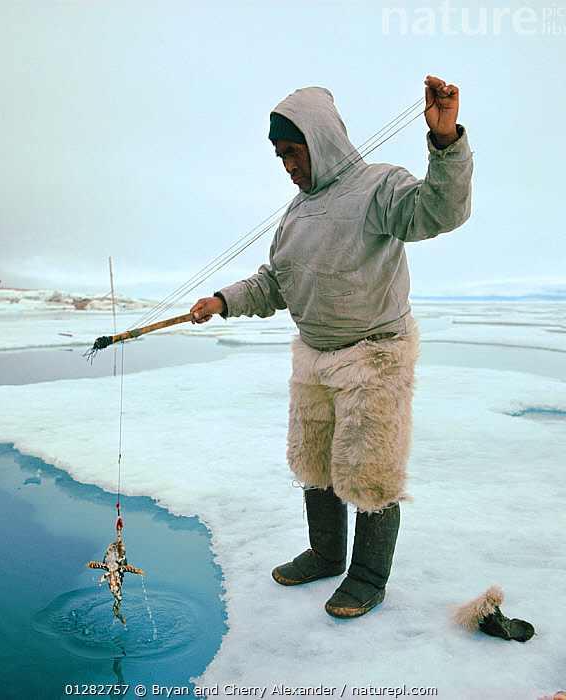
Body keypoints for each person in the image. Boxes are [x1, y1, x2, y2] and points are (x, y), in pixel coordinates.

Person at [190, 76, 473, 619]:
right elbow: (275, 282)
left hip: (375, 355)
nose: (287, 166)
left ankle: (368, 576)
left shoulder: (379, 186)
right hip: (314, 356)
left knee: (371, 468)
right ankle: (325, 553)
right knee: (314, 460)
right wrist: (223, 299)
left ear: (318, 141)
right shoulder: (294, 215)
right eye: (279, 156)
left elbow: (441, 211)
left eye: (292, 152)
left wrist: (445, 144)